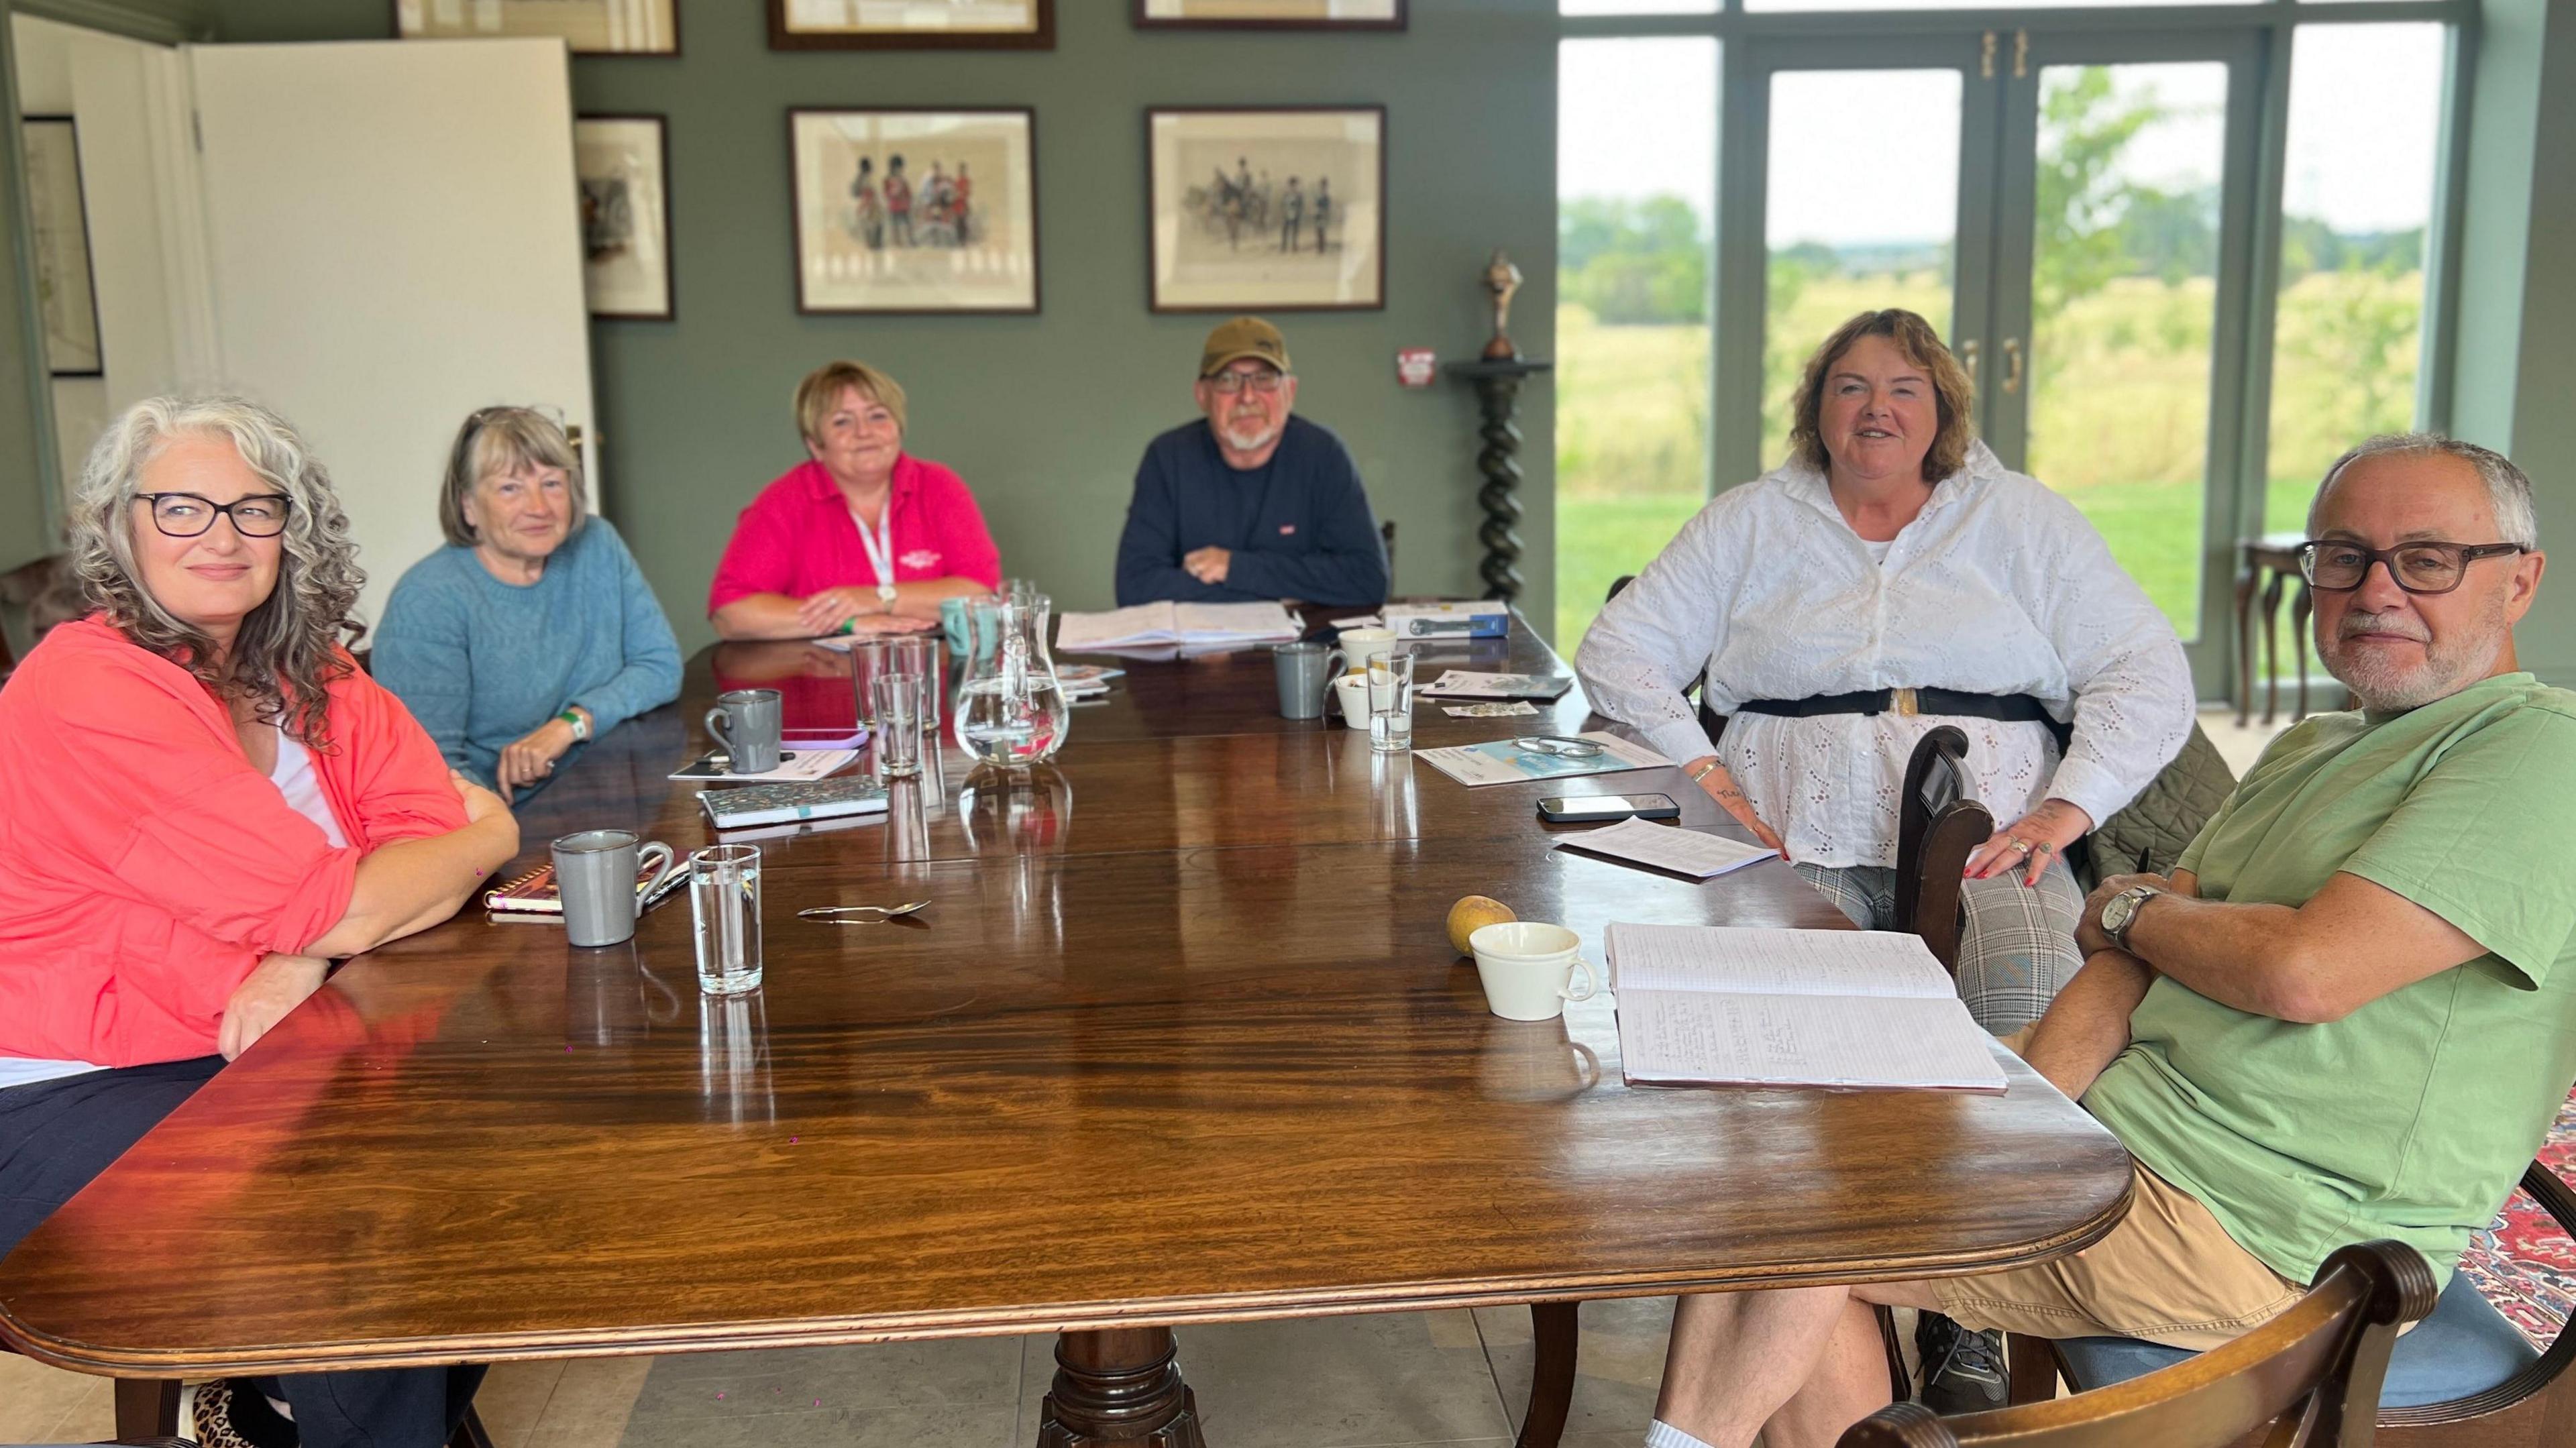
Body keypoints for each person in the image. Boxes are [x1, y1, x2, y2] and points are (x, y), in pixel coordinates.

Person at [1642, 433, 2572, 1448]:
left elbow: (2302, 970)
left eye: (2427, 559)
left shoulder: (2537, 751)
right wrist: (2023, 1114)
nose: (2375, 589)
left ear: (2519, 580)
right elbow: (2121, 954)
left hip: (2269, 1233)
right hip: (2119, 1149)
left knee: (1804, 1220)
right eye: (2343, 556)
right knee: (1767, 1167)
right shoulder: (2316, 742)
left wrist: (2143, 915)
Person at [0, 395, 519, 1448]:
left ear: (295, 528)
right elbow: (362, 890)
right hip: (70, 1083)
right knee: (346, 1229)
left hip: (273, 1045)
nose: (223, 536)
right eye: (182, 507)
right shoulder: (85, 685)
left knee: (490, 1162)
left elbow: (419, 850)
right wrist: (492, 828)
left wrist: (302, 957)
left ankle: (268, 1410)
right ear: (121, 526)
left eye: (254, 507)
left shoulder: (316, 675)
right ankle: (293, 1408)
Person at [372, 407, 682, 801]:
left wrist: (570, 724)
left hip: (614, 785)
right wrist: (503, 839)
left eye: (552, 483)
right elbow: (433, 770)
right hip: (511, 819)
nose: (539, 507)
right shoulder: (428, 599)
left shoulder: (597, 544)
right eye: (510, 488)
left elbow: (659, 666)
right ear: (468, 505)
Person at [710, 359, 1001, 640]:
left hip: (934, 669)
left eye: (878, 416)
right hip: (821, 675)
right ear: (815, 445)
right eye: (842, 422)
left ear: (898, 428)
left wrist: (875, 598)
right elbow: (731, 614)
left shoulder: (939, 486)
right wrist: (848, 621)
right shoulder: (784, 502)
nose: (864, 432)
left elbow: (980, 593)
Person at [1114, 316, 1389, 610]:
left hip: (1304, 649)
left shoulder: (1323, 454)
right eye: (1228, 380)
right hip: (1198, 651)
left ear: (1290, 392)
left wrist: (1234, 567)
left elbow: (1368, 580)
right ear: (1202, 395)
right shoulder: (1168, 457)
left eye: (1264, 379)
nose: (1247, 397)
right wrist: (1287, 591)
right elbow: (1136, 587)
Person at [885, 154, 913, 247]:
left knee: (907, 226)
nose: (899, 170)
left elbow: (908, 194)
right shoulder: (888, 180)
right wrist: (894, 193)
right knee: (895, 228)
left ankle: (908, 242)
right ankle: (896, 244)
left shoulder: (903, 180)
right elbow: (886, 194)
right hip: (894, 207)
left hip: (904, 207)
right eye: (897, 168)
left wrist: (907, 199)